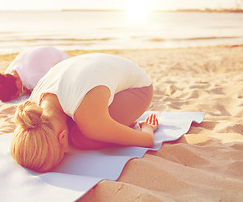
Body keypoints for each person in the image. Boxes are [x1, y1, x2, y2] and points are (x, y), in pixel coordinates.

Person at [11, 53, 158, 173]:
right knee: (84, 127)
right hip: (93, 67)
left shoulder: (90, 118)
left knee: (81, 139)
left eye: (63, 153)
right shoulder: (32, 107)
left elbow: (146, 140)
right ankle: (109, 125)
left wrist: (147, 128)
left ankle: (109, 126)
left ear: (62, 137)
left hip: (137, 87)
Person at [0, 46, 69, 102]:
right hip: (48, 52)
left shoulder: (32, 78)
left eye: (17, 95)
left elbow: (50, 90)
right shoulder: (8, 73)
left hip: (64, 61)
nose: (19, 96)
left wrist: (33, 90)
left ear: (18, 85)